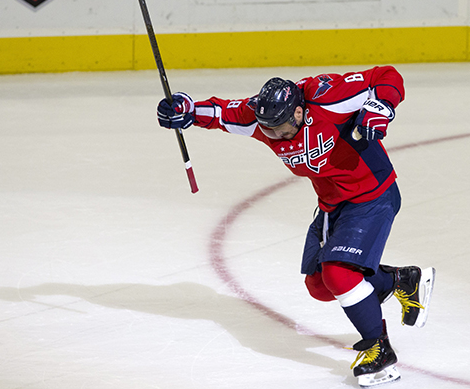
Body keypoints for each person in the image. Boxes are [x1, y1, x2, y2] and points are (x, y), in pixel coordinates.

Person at [156, 66, 435, 387]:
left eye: (283, 128)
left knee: (339, 275)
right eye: (269, 131)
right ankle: (401, 280)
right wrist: (186, 110)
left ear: (300, 110)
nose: (277, 137)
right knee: (319, 286)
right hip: (333, 204)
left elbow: (385, 76)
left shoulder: (326, 97)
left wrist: (382, 105)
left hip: (372, 195)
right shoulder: (264, 119)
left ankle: (379, 347)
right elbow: (221, 112)